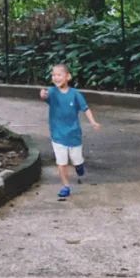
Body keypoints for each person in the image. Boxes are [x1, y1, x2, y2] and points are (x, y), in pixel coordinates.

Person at [39, 63, 101, 199]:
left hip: (73, 134)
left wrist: (93, 122)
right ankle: (65, 186)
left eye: (59, 75)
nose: (56, 77)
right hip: (57, 135)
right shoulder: (52, 92)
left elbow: (85, 108)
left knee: (76, 159)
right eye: (53, 75)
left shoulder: (75, 94)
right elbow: (45, 96)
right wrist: (42, 94)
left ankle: (79, 165)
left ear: (68, 77)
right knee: (61, 162)